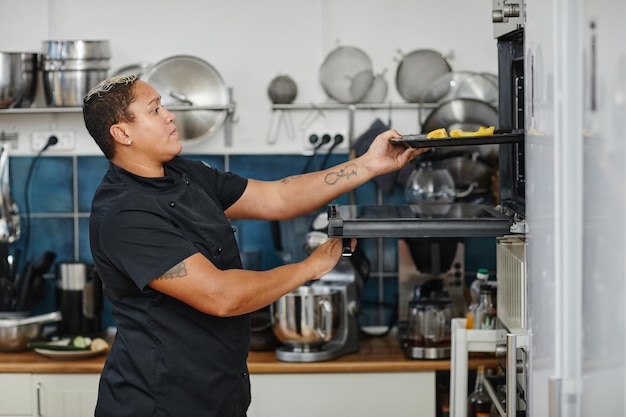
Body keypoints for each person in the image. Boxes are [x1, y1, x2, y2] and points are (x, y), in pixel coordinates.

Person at [82, 74, 427, 417]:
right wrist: (310, 267)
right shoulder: (124, 213)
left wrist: (369, 164)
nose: (170, 114)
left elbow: (278, 197)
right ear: (122, 133)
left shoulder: (184, 174)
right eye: (155, 109)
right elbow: (221, 296)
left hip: (221, 395)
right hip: (158, 402)